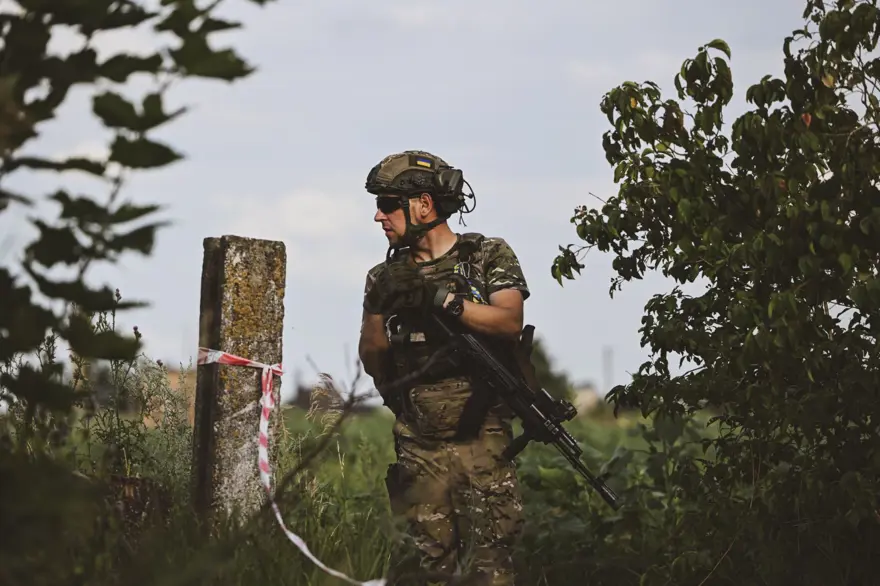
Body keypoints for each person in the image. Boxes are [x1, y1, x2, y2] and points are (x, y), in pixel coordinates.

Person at [357, 150, 531, 586]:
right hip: (418, 438)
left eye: (387, 204)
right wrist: (380, 305)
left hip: (481, 435)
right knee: (432, 567)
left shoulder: (485, 255)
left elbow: (509, 322)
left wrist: (438, 299)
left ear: (423, 205)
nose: (379, 217)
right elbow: (374, 357)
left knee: (490, 567)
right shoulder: (384, 276)